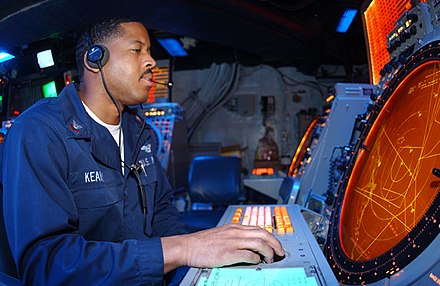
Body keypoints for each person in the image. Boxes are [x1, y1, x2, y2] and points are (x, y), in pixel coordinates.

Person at [0, 17, 284, 285]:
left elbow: (162, 215)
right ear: (95, 59)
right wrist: (181, 249)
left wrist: (204, 260)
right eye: (137, 50)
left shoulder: (140, 132)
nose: (151, 61)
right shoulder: (40, 132)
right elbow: (46, 266)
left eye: (149, 51)